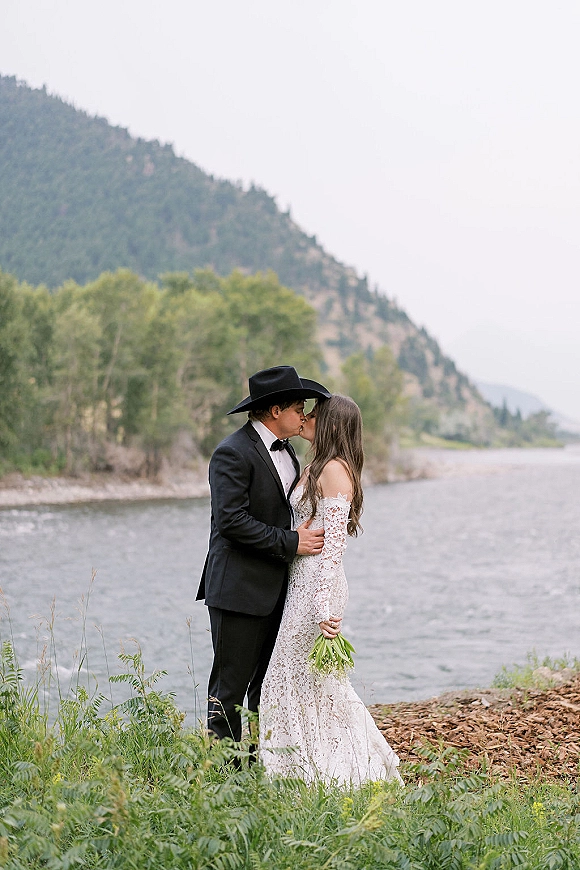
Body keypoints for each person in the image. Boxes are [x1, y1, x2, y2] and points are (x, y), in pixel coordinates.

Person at [259, 394, 403, 785]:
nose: (304, 418)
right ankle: (303, 772)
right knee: (298, 683)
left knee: (299, 682)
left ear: (331, 425)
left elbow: (334, 547)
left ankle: (340, 772)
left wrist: (324, 607)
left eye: (314, 415)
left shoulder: (335, 471)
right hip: (300, 583)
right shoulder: (313, 465)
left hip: (317, 590)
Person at [197, 365, 331, 742]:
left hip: (279, 590)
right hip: (239, 591)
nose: (303, 415)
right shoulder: (232, 453)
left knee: (265, 687)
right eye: (298, 408)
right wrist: (292, 543)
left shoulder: (288, 452)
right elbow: (231, 521)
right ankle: (225, 777)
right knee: (229, 691)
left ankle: (258, 765)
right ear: (275, 411)